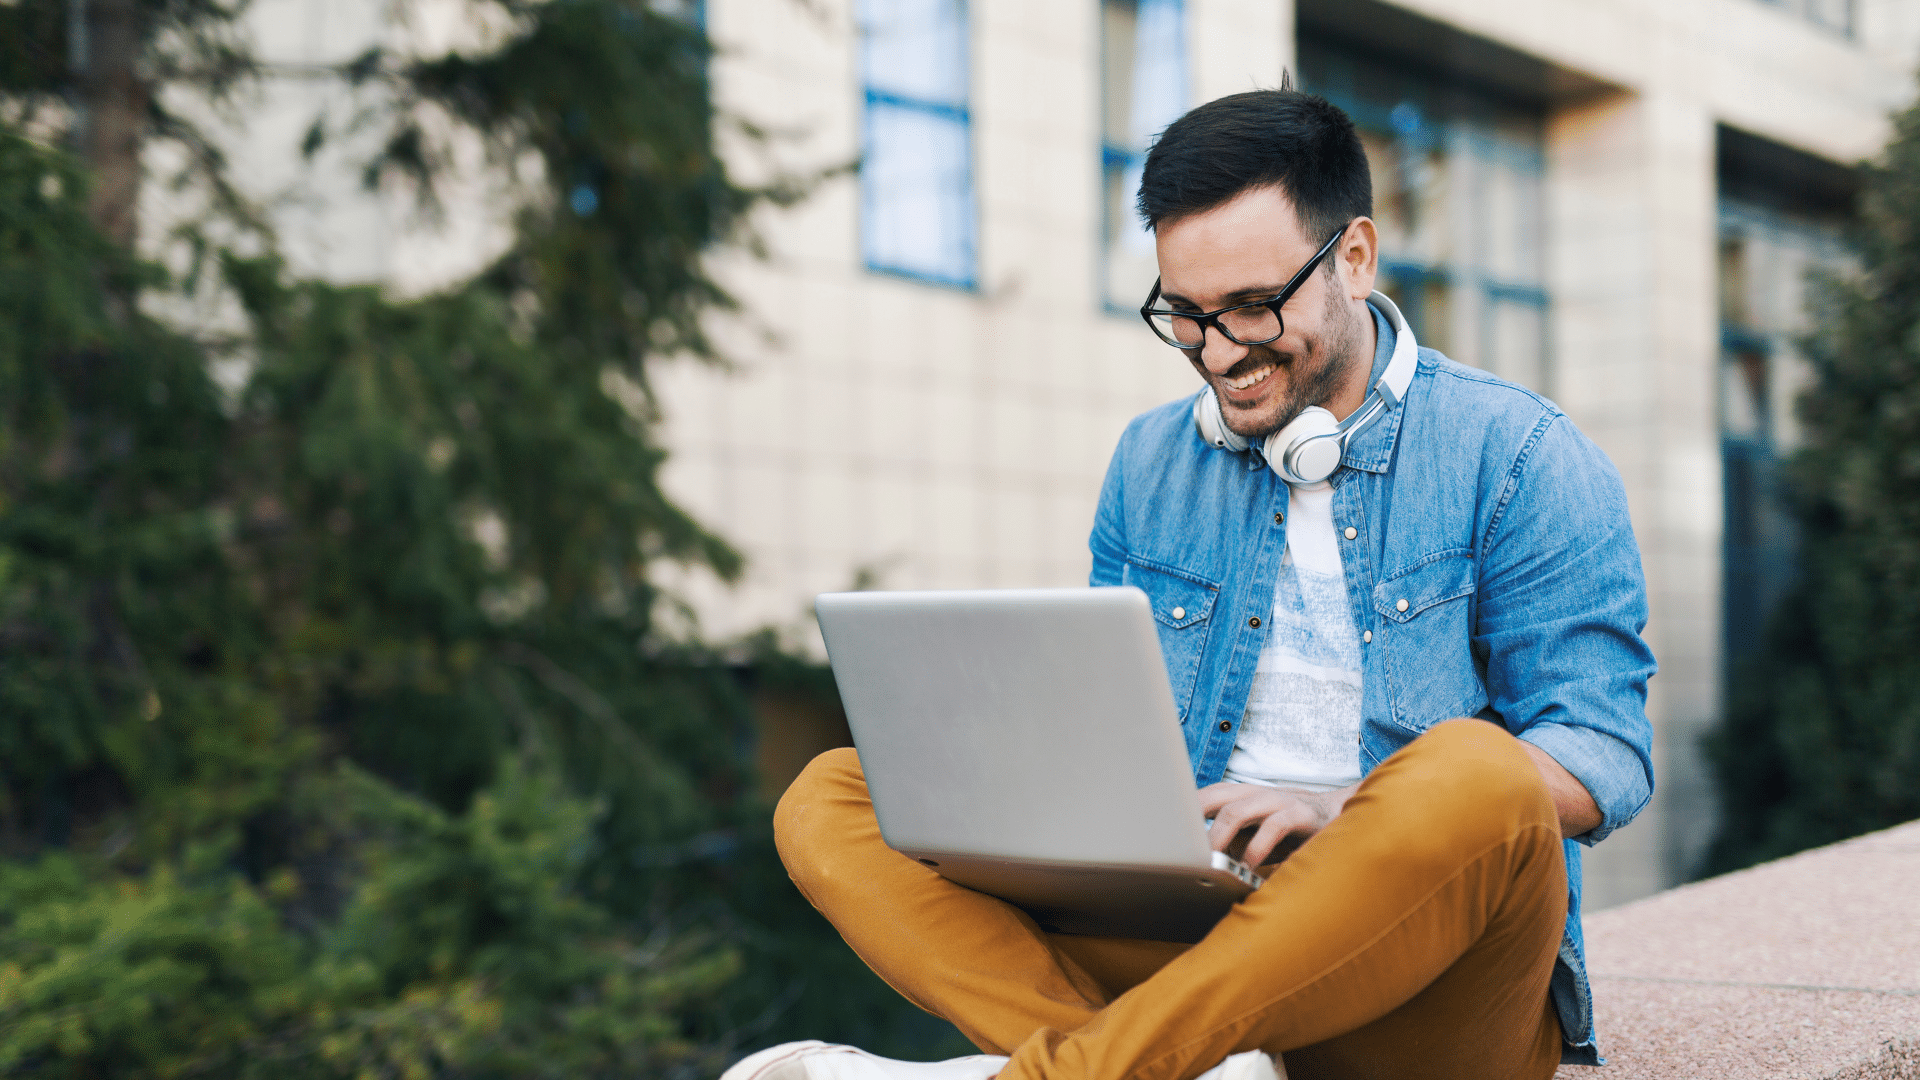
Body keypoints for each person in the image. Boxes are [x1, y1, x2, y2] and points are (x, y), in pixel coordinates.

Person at [734, 87, 1655, 1080]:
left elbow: (1603, 755)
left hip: (1424, 987)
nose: (1219, 353)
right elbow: (1103, 724)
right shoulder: (1149, 462)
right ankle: (1162, 1062)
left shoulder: (1520, 454)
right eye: (1186, 314)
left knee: (1475, 770)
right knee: (833, 796)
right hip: (1193, 941)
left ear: (1353, 256)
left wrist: (1345, 809)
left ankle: (1066, 1071)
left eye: (1254, 307)